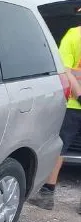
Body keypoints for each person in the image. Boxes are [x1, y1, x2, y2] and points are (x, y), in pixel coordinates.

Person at [28, 25, 81, 211]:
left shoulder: (74, 35)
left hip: (73, 105)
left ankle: (46, 195)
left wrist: (79, 94)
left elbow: (64, 69)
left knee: (60, 148)